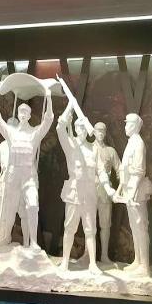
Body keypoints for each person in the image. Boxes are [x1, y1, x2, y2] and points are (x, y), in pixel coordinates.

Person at [0, 87, 54, 250]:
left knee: (32, 206)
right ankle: (5, 237)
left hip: (28, 175)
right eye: (21, 111)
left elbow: (48, 120)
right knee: (9, 208)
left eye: (26, 111)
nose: (23, 114)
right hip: (13, 174)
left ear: (29, 115)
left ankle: (33, 241)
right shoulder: (11, 133)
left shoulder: (34, 133)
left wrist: (49, 98)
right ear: (18, 114)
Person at [101, 113, 152, 275]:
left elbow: (138, 171)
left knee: (140, 227)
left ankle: (144, 266)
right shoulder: (132, 142)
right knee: (134, 227)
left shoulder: (138, 143)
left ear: (135, 125)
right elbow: (124, 171)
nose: (125, 127)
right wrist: (120, 190)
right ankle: (138, 261)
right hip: (130, 191)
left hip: (136, 192)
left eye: (128, 124)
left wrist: (131, 193)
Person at [56, 102, 100, 274]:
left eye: (83, 127)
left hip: (89, 192)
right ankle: (65, 262)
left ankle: (93, 264)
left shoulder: (93, 149)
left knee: (90, 229)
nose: (81, 130)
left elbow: (99, 171)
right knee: (69, 228)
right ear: (74, 129)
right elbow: (60, 127)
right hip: (74, 191)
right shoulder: (71, 145)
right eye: (78, 127)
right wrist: (70, 104)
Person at [0, 117, 30, 247]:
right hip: (5, 181)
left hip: (19, 181)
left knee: (24, 212)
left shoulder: (22, 144)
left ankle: (27, 242)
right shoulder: (3, 145)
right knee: (4, 212)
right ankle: (4, 238)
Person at [92, 122, 120, 263]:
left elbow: (119, 169)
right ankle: (88, 256)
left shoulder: (110, 151)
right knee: (89, 224)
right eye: (98, 130)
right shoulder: (88, 148)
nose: (101, 133)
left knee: (105, 224)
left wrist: (123, 186)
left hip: (105, 191)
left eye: (103, 131)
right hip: (90, 189)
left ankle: (104, 255)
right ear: (94, 132)